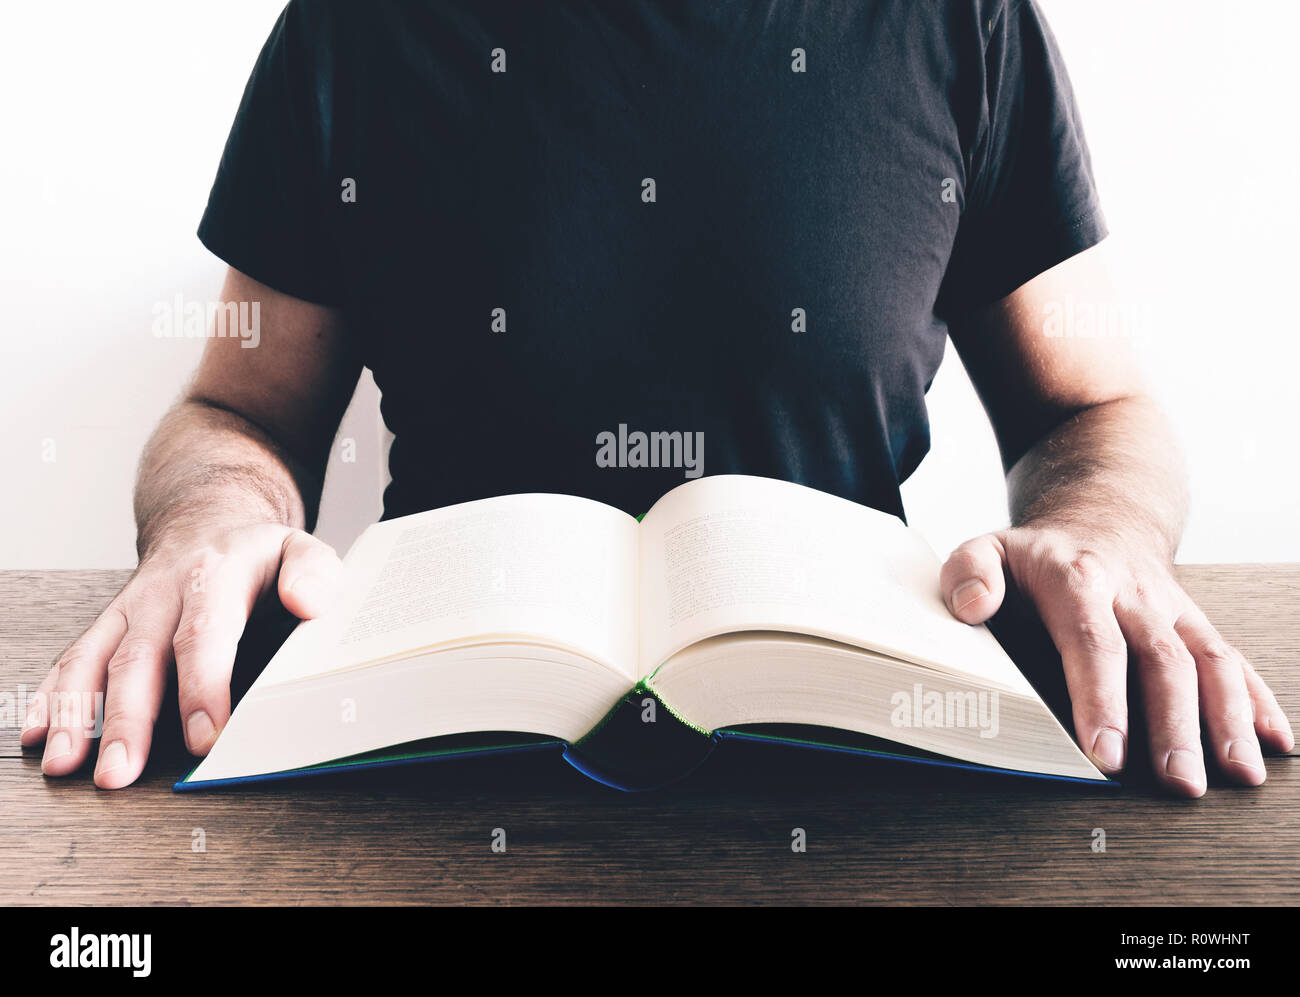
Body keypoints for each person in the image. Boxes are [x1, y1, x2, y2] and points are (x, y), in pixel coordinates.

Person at [22, 0, 1292, 794]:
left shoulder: (961, 21)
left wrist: (1106, 533)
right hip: (432, 754)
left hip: (864, 753)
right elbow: (236, 408)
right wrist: (208, 518)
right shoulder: (353, 30)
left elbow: (1094, 409)